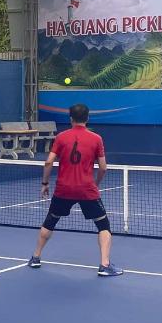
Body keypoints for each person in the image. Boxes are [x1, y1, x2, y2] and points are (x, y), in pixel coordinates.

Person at [28, 103, 122, 277]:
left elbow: (48, 162)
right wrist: (96, 183)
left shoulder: (61, 137)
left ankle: (35, 257)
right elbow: (103, 167)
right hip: (87, 190)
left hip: (63, 189)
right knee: (103, 225)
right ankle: (104, 265)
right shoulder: (96, 138)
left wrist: (45, 183)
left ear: (70, 118)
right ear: (87, 118)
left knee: (50, 221)